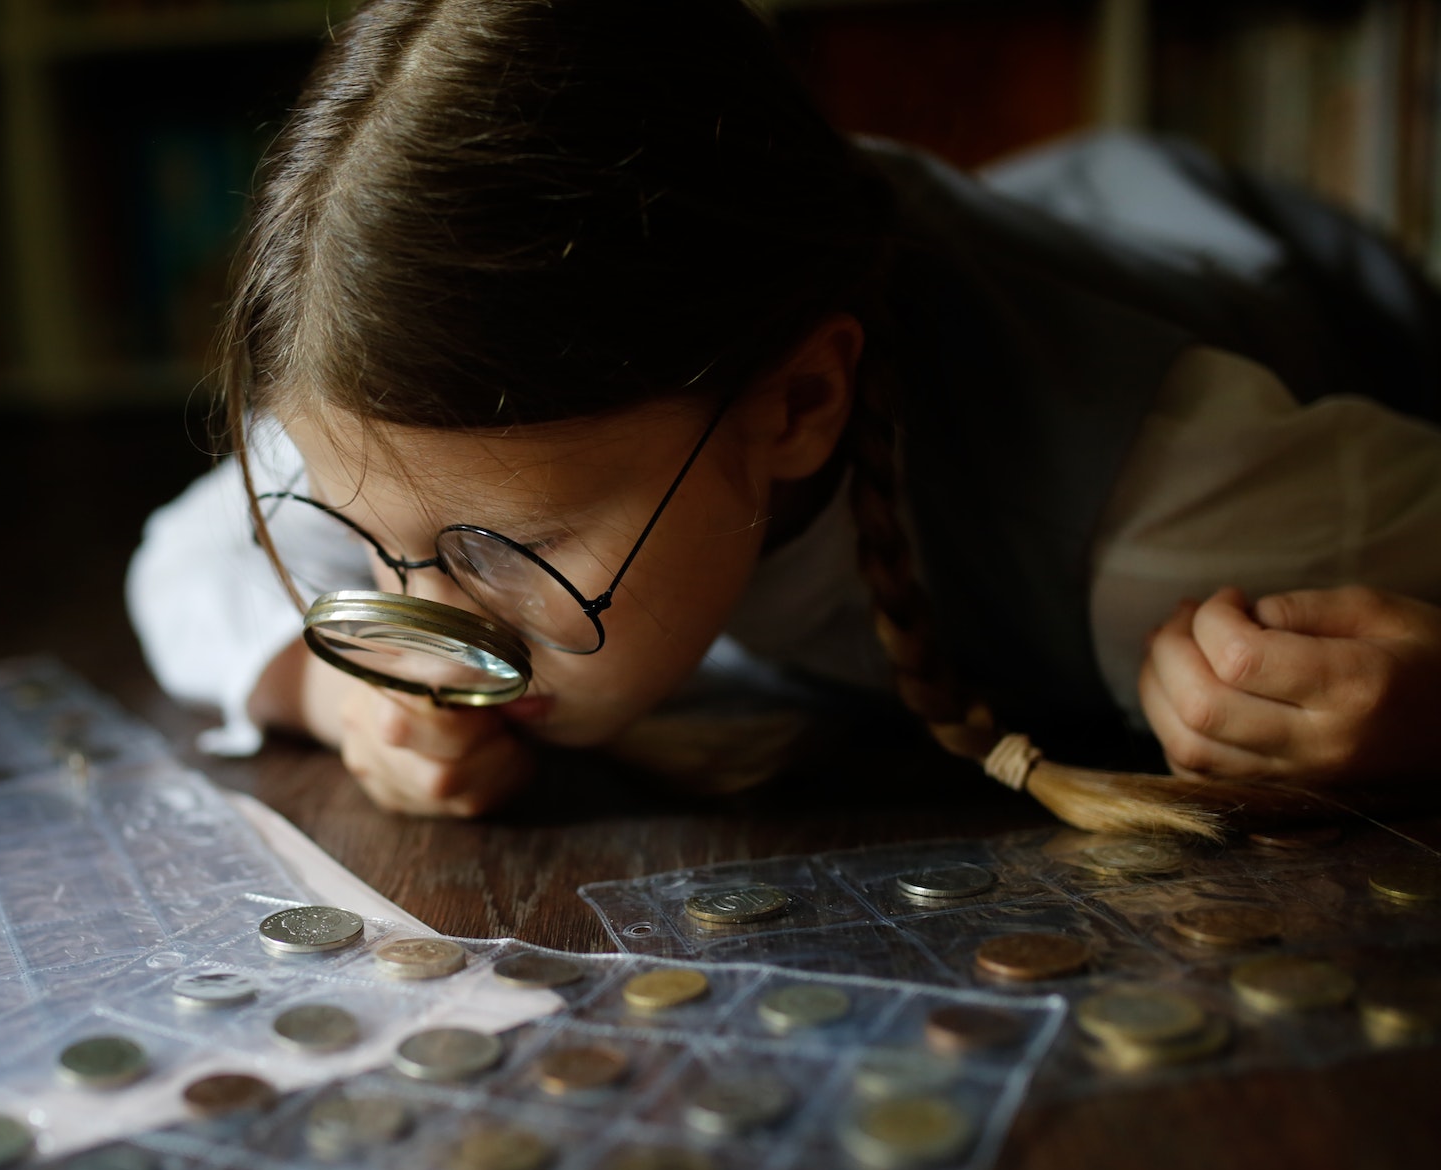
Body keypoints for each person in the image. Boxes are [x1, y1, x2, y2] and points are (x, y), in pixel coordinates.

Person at [128, 0, 1441, 831]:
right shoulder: (441, 411)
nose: (430, 643)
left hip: (1248, 270)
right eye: (370, 539)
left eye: (498, 547)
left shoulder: (1182, 510)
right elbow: (183, 560)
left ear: (803, 403)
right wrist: (327, 691)